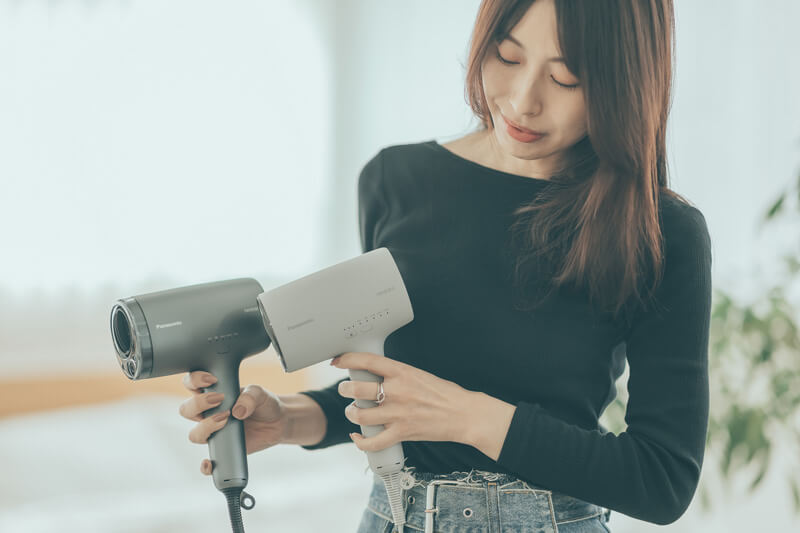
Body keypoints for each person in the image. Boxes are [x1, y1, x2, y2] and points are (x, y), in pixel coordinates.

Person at [178, 0, 713, 531]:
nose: (524, 101)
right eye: (507, 56)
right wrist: (294, 418)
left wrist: (471, 417)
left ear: (625, 82)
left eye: (566, 78)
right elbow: (398, 387)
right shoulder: (396, 181)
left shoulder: (662, 232)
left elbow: (662, 480)